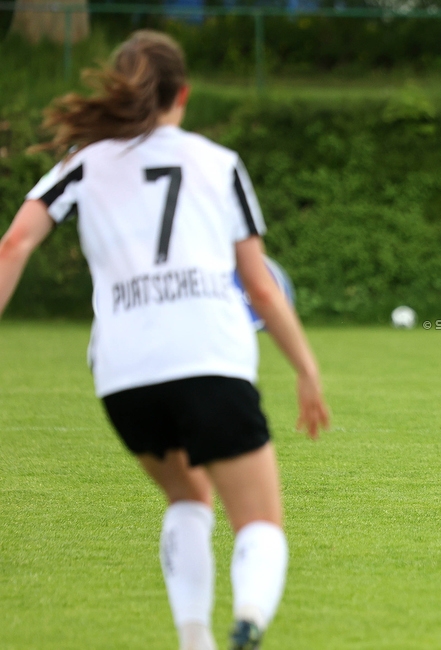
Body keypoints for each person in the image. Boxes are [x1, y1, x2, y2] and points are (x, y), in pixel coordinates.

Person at [0, 31, 329, 650]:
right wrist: (307, 369)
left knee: (187, 496)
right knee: (258, 522)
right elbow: (259, 287)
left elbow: (14, 245)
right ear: (184, 93)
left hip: (123, 372)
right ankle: (250, 621)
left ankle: (195, 639)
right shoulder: (217, 162)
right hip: (210, 356)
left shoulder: (82, 160)